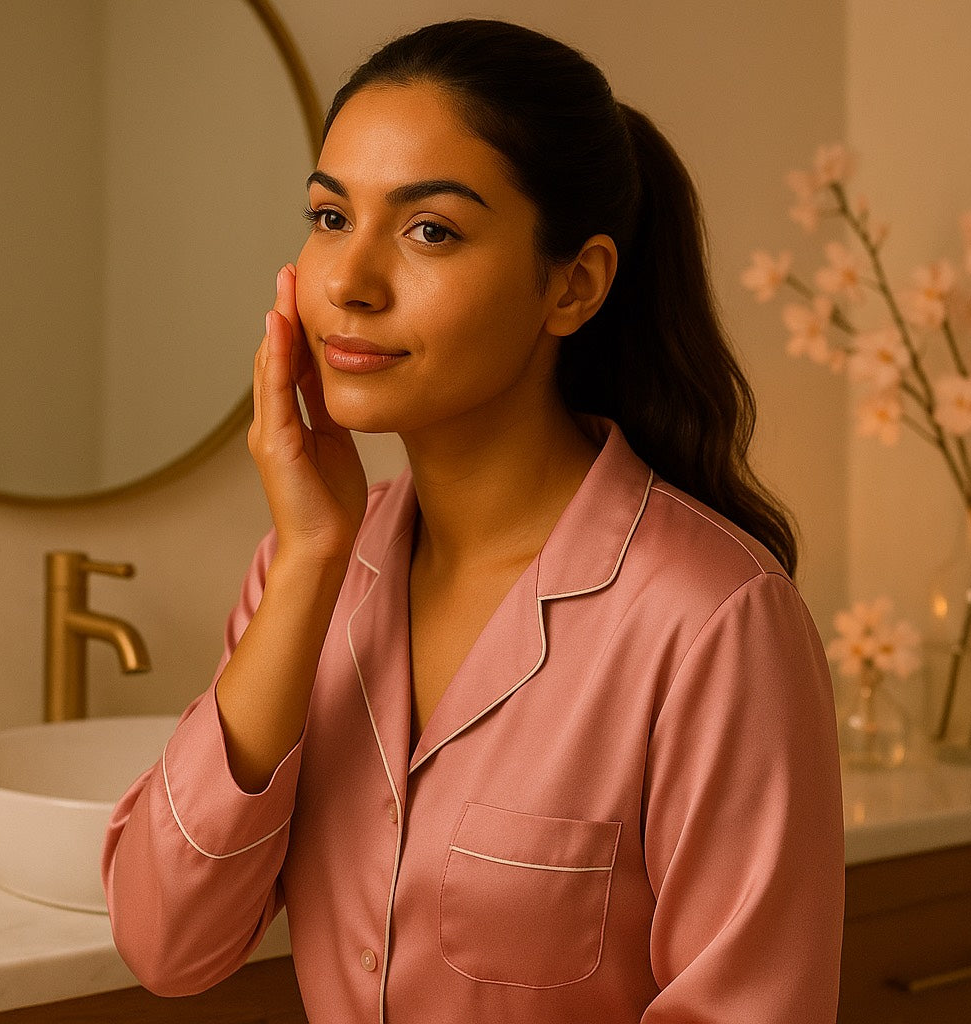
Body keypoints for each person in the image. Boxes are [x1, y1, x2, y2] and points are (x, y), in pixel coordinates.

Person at [103, 18, 844, 1023]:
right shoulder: (308, 570)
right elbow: (166, 941)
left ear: (573, 285)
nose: (351, 282)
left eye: (430, 230)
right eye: (329, 218)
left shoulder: (713, 617)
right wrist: (314, 556)